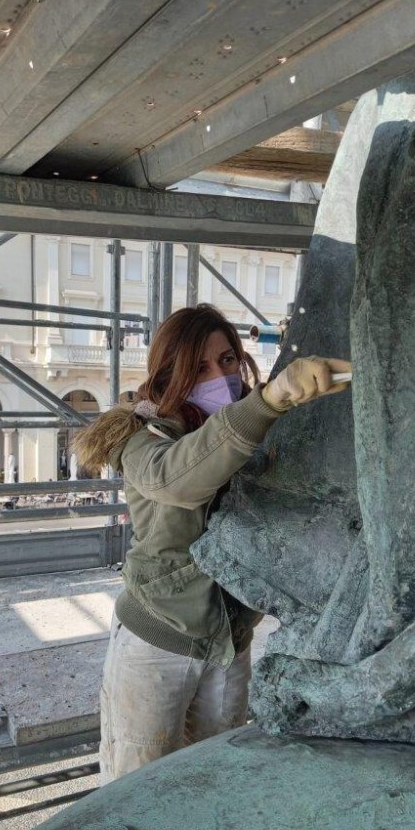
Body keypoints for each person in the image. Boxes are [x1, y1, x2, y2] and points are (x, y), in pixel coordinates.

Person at [74, 304, 350, 783]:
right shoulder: (141, 435)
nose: (219, 374)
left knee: (212, 778)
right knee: (134, 783)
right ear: (169, 373)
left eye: (227, 360)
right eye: (199, 367)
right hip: (157, 639)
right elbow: (178, 479)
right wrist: (271, 400)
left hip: (231, 642)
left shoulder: (256, 426)